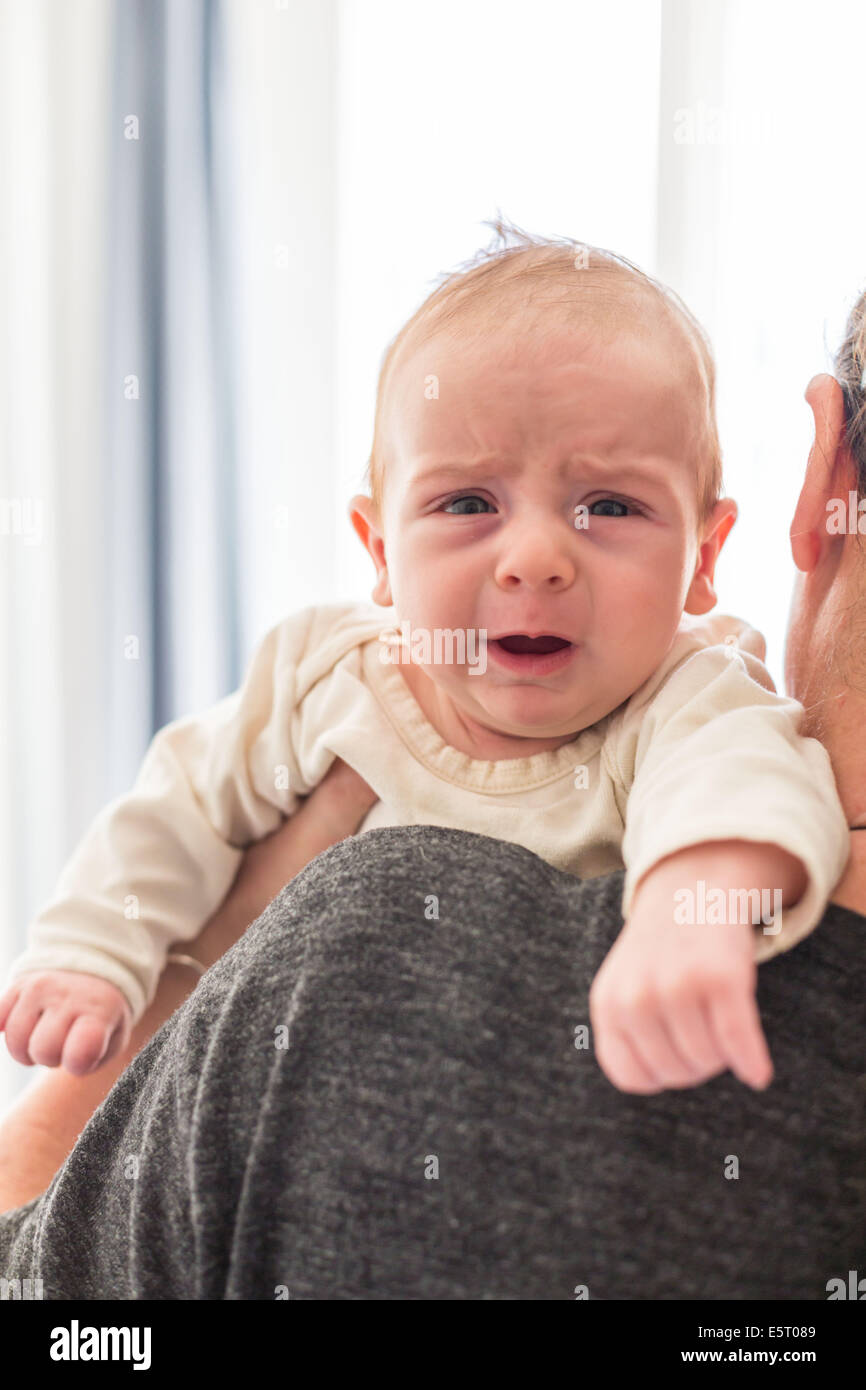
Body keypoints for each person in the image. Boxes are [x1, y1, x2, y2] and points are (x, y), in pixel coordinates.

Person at [1, 337, 866, 1297]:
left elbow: (745, 779)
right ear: (378, 549)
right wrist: (90, 955)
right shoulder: (328, 673)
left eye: (610, 508)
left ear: (705, 556)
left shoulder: (683, 689)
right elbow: (177, 805)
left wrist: (690, 908)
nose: (536, 560)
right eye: (467, 504)